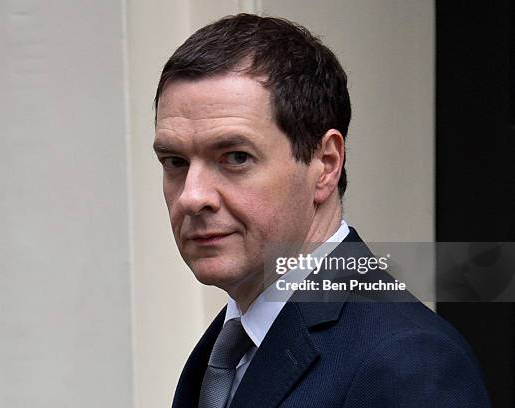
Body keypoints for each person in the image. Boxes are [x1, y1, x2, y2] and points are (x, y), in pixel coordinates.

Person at [153, 13, 490, 408]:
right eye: (175, 161)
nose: (192, 197)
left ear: (326, 164)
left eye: (236, 157)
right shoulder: (226, 348)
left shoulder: (409, 363)